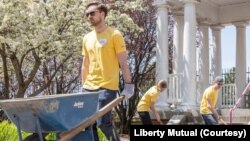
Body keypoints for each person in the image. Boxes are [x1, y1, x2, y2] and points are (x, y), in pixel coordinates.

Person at [81, 1, 132, 141]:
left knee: (103, 123)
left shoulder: (115, 34)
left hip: (107, 86)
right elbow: (85, 65)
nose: (89, 16)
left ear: (102, 14)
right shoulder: (86, 38)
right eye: (87, 14)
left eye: (92, 13)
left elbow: (123, 63)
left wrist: (128, 86)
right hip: (88, 87)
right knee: (87, 124)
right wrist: (83, 87)